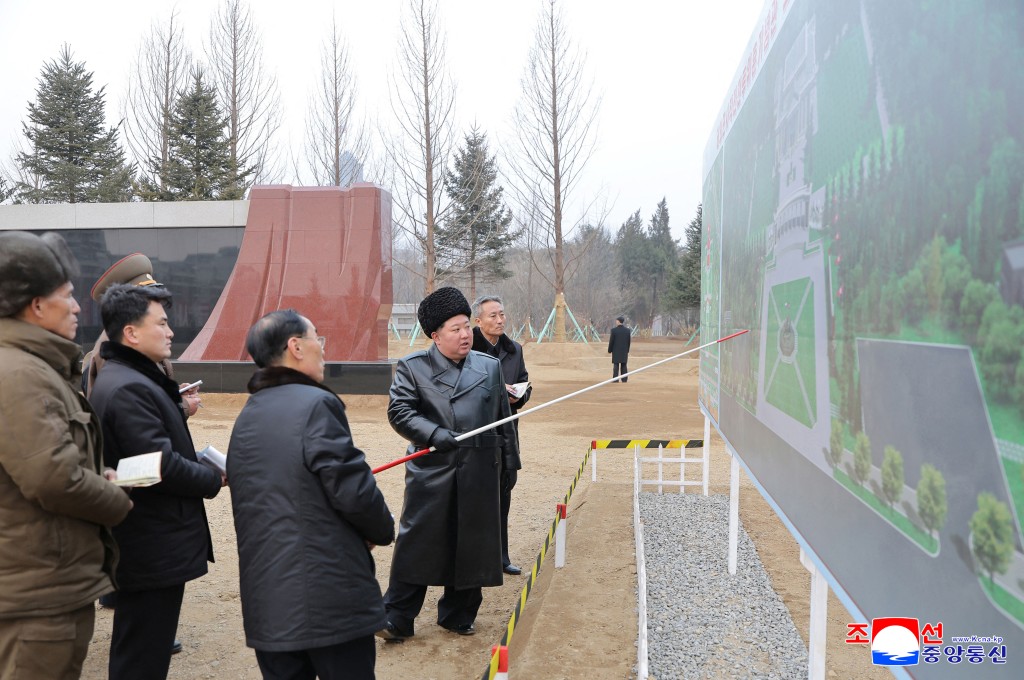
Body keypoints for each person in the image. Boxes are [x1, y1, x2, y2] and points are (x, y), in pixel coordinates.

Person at [228, 309, 395, 679]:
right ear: (296, 347)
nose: (323, 348)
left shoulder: (248, 415)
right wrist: (381, 529)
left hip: (268, 603)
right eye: (317, 338)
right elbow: (352, 489)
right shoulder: (316, 404)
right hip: (328, 597)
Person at [0, 231, 133, 679]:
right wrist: (115, 497)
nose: (77, 307)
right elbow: (52, 477)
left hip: (46, 587)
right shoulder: (19, 375)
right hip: (36, 599)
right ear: (37, 305)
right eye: (67, 295)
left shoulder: (34, 366)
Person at [89, 283, 225, 680]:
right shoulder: (129, 386)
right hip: (149, 543)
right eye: (161, 324)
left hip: (148, 540)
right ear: (131, 332)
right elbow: (157, 465)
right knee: (141, 659)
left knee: (139, 650)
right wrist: (212, 477)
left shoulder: (129, 377)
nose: (170, 332)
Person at [379, 287, 519, 641]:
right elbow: (400, 411)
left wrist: (510, 464)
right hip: (433, 469)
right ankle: (396, 616)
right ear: (435, 335)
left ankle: (459, 613)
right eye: (455, 329)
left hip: (480, 469)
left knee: (473, 542)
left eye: (466, 326)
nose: (465, 334)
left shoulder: (488, 366)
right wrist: (434, 433)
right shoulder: (413, 367)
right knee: (417, 542)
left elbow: (503, 420)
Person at [84, 253, 198, 635]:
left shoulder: (131, 350)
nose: (169, 330)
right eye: (160, 320)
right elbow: (133, 428)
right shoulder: (111, 353)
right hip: (142, 514)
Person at [83, 252, 201, 419]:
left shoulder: (125, 339)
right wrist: (183, 407)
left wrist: (174, 394)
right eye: (145, 297)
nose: (169, 333)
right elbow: (135, 414)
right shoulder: (117, 348)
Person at [471, 294, 530, 576]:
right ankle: (474, 558)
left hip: (507, 434)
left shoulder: (514, 349)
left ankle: (501, 557)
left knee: (503, 495)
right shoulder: (467, 348)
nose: (499, 320)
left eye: (502, 314)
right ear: (478, 321)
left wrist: (520, 394)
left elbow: (524, 381)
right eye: (493, 316)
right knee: (474, 500)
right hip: (477, 435)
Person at [608, 315, 631, 383]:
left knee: (616, 365)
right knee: (624, 365)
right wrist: (627, 350)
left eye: (616, 321)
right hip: (624, 350)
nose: (616, 322)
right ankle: (624, 379)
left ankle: (615, 379)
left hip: (616, 350)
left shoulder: (614, 330)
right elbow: (628, 341)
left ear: (618, 321)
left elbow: (611, 341)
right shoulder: (627, 331)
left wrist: (609, 350)